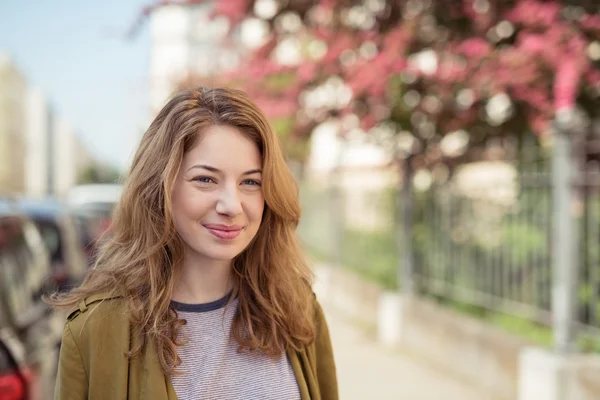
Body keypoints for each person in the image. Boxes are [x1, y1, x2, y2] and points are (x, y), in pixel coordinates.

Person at [47, 87, 338, 400]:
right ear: (161, 187)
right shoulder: (96, 330)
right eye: (206, 179)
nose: (232, 205)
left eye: (250, 182)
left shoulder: (297, 309)